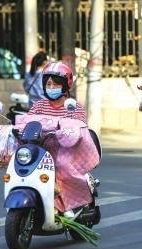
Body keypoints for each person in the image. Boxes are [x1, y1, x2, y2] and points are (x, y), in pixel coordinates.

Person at [26, 62, 95, 217]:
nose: (51, 86)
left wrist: (65, 131)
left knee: (61, 164)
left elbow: (79, 127)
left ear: (65, 85)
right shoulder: (38, 106)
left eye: (56, 83)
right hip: (42, 149)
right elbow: (26, 123)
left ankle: (67, 205)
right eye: (48, 83)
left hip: (68, 150)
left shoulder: (74, 107)